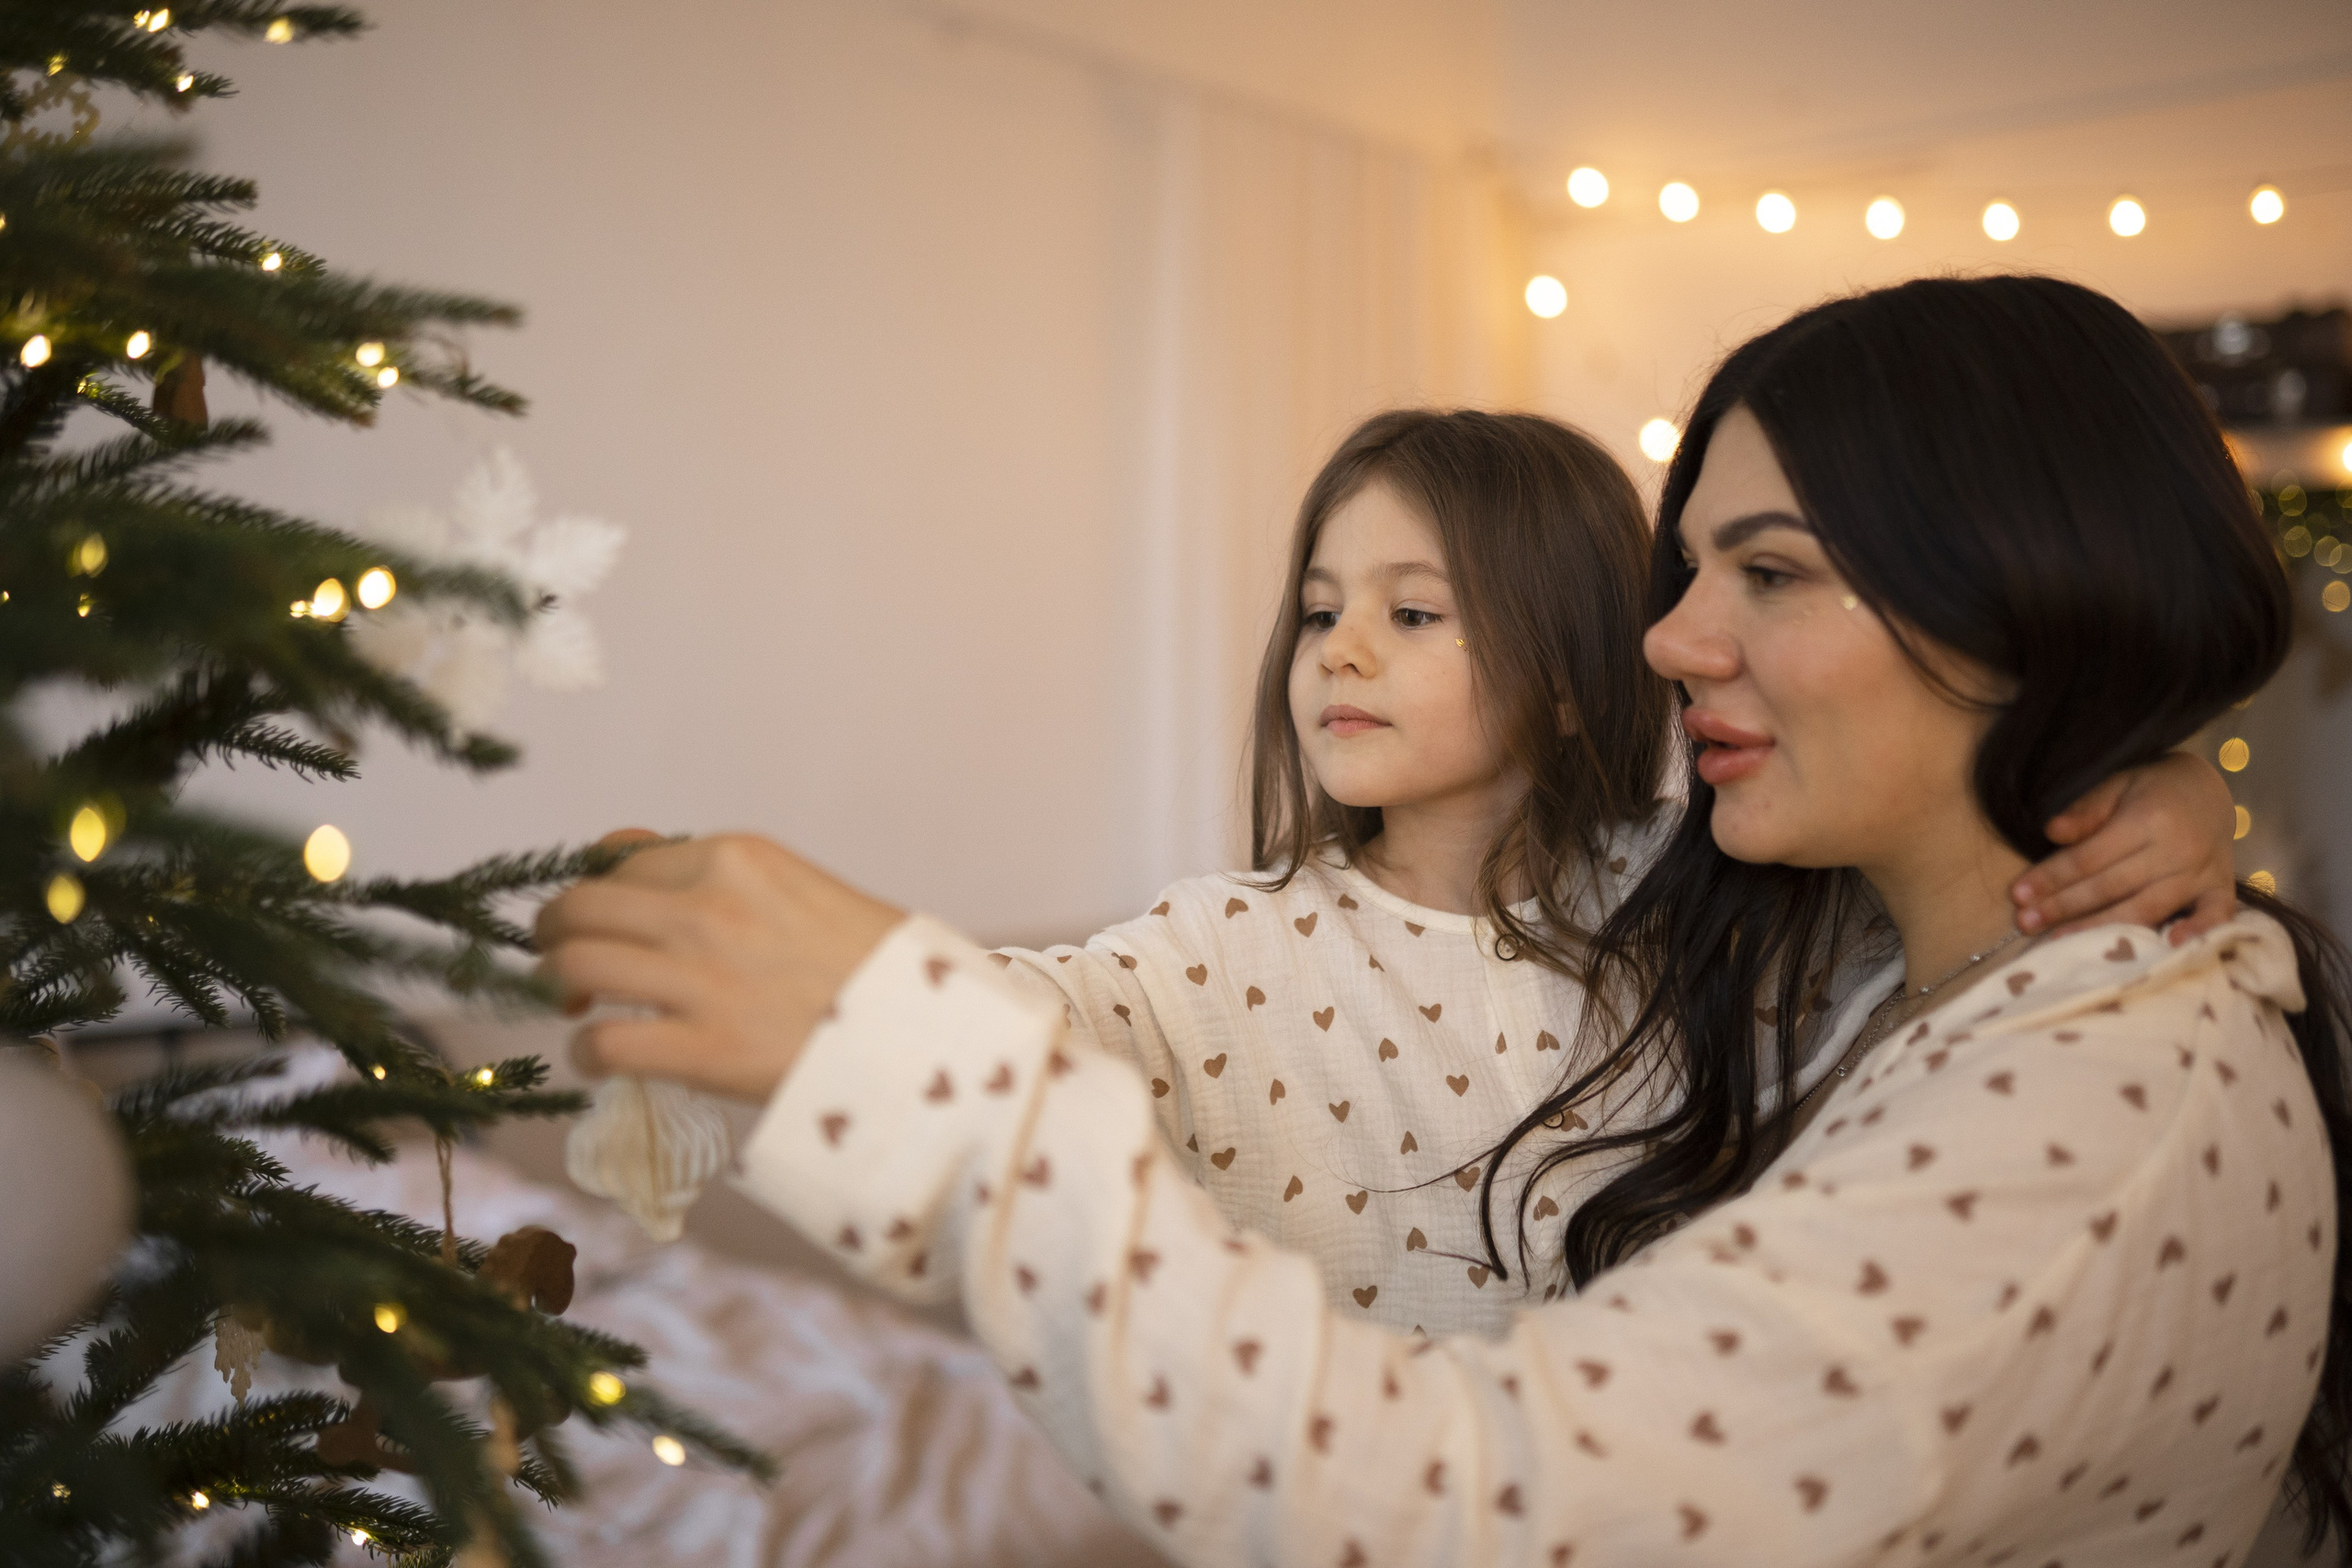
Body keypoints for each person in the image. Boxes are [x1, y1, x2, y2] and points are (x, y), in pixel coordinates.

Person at [537, 276, 2348, 1565]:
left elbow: (1486, 1498)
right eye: (1686, 570)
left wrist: (2148, 759)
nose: (1671, 640)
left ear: (2025, 593)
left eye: (1769, 571)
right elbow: (1098, 1000)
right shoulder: (1886, 956)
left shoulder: (2064, 1092)